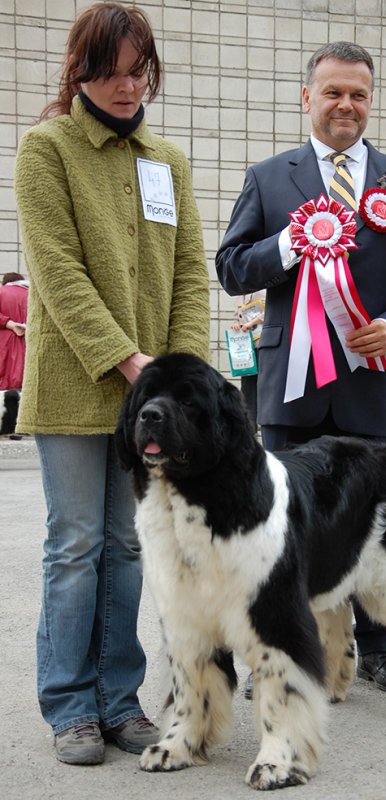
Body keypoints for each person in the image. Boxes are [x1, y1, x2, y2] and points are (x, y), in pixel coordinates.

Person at [216, 41, 386, 698]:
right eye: (333, 92)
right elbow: (231, 266)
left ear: (370, 101)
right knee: (281, 530)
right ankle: (285, 651)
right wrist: (290, 243)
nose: (345, 104)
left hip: (368, 386)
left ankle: (377, 650)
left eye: (358, 94)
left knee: (377, 522)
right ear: (307, 98)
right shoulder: (268, 179)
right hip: (289, 388)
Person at [14, 2, 210, 766]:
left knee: (129, 544)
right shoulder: (46, 149)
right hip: (76, 384)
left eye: (138, 73)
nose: (127, 88)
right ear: (80, 71)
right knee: (76, 544)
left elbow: (188, 271)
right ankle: (70, 706)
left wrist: (182, 376)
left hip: (153, 394)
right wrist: (132, 362)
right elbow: (55, 271)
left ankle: (119, 700)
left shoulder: (167, 161)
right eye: (111, 73)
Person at [230, 290, 266, 430]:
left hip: (264, 343)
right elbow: (237, 315)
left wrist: (252, 323)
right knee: (247, 386)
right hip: (246, 346)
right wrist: (236, 324)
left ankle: (265, 423)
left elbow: (270, 311)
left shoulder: (266, 287)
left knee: (265, 384)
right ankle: (250, 426)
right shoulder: (241, 292)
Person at [0, 272, 29, 390]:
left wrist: (8, 323)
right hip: (28, 346)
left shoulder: (1, 292)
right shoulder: (32, 295)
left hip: (3, 347)